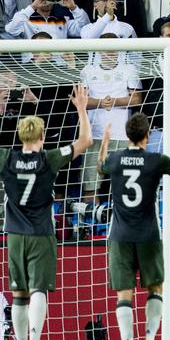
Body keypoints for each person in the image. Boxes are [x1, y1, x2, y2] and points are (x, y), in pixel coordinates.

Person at [0, 85, 91, 340]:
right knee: (39, 289)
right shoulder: (50, 158)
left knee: (19, 294)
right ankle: (36, 336)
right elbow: (85, 141)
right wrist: (82, 109)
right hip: (41, 233)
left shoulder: (6, 158)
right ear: (42, 137)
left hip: (15, 234)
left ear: (20, 136)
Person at [98, 111, 170, 340]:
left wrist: (106, 142)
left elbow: (100, 166)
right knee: (156, 288)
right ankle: (149, 336)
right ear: (147, 136)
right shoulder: (156, 161)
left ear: (128, 135)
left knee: (123, 294)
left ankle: (128, 338)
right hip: (148, 234)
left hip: (120, 236)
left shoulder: (115, 159)